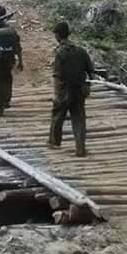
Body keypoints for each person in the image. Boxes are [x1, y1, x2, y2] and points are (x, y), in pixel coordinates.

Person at [48, 22, 95, 157]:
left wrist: (56, 94)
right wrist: (88, 87)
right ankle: (80, 148)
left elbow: (57, 75)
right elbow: (91, 71)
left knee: (57, 116)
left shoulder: (59, 52)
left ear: (57, 35)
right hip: (79, 90)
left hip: (64, 90)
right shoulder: (81, 51)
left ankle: (54, 142)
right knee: (79, 119)